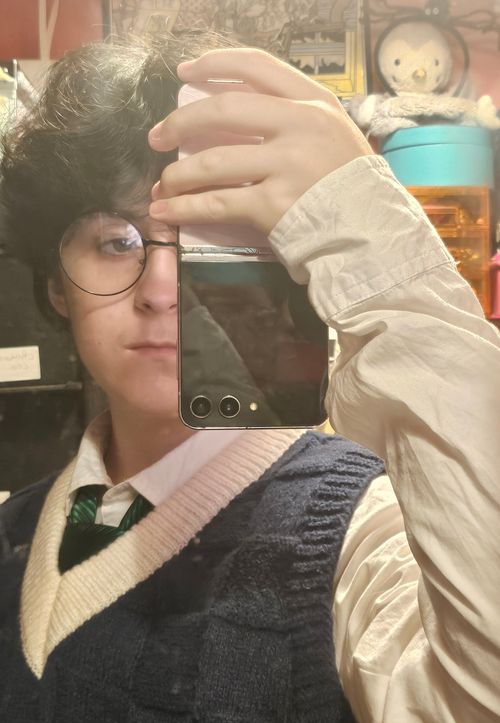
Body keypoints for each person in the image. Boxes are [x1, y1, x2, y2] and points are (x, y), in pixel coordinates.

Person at [0, 32, 499, 723]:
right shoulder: (17, 525)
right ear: (57, 283)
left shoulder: (354, 528)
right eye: (116, 242)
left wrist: (382, 257)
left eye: (212, 242)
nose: (161, 290)